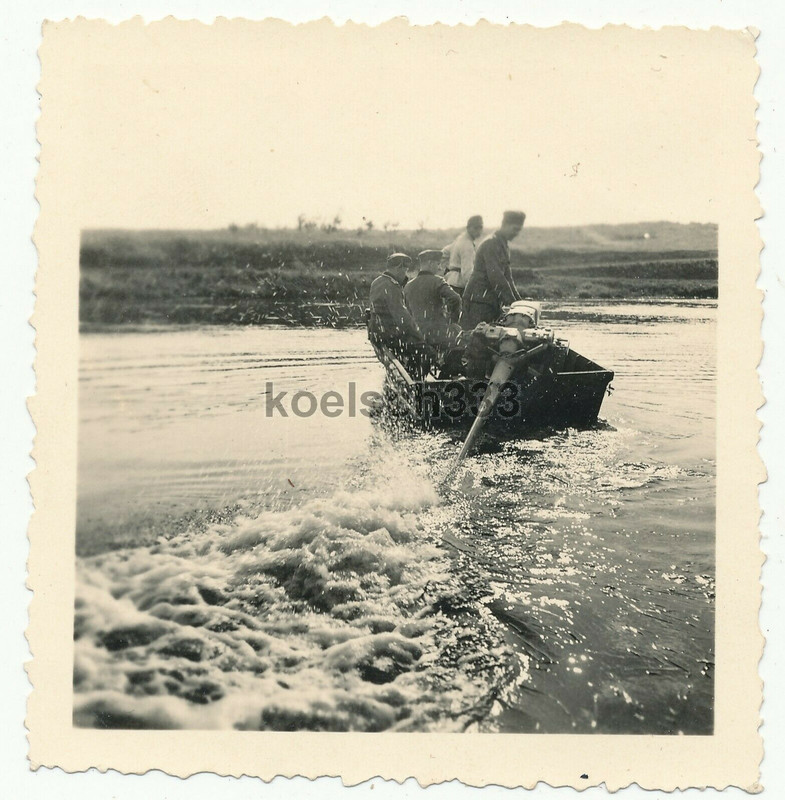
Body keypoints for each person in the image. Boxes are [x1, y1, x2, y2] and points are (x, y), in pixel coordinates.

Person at [460, 210, 525, 330]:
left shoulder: (503, 244)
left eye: (519, 230)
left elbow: (508, 277)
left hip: (489, 301)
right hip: (478, 301)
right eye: (515, 229)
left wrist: (519, 303)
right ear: (505, 225)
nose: (516, 233)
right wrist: (512, 303)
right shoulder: (491, 243)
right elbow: (496, 276)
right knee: (475, 339)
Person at [368, 253, 430, 375]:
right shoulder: (392, 286)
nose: (406, 275)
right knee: (428, 352)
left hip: (377, 334)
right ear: (398, 268)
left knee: (417, 345)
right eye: (405, 270)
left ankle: (410, 374)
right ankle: (418, 384)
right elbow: (403, 318)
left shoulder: (377, 282)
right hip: (389, 336)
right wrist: (420, 336)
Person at [404, 250, 462, 350]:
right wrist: (452, 321)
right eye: (437, 264)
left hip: (417, 335)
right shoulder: (438, 281)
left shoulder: (408, 286)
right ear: (430, 263)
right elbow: (455, 298)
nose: (439, 267)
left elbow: (407, 311)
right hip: (438, 334)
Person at [445, 215, 484, 296]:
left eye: (480, 228)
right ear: (468, 228)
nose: (478, 231)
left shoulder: (461, 239)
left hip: (451, 282)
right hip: (459, 286)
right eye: (475, 228)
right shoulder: (467, 245)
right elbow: (467, 273)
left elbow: (444, 252)